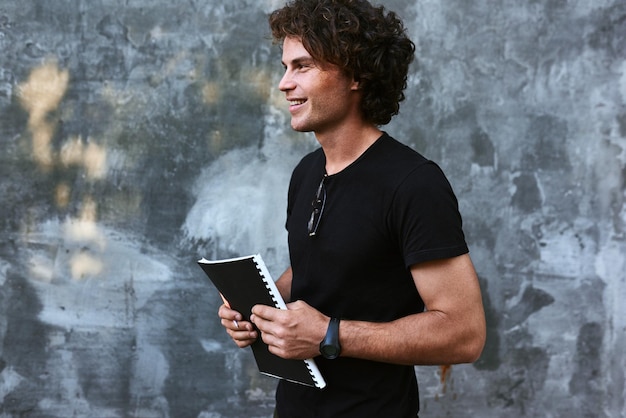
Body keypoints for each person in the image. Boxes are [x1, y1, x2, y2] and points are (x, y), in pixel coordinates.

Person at [218, 0, 486, 416]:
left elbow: (464, 335)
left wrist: (329, 334)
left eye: (302, 66)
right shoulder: (307, 172)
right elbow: (318, 268)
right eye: (285, 66)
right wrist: (256, 307)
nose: (284, 83)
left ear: (357, 75)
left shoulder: (413, 183)